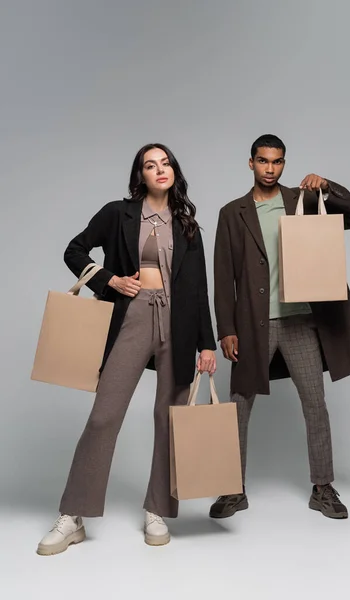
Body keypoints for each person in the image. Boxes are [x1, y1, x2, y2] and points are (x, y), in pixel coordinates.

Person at [37, 143, 216, 555]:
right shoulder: (119, 213)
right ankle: (73, 515)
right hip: (133, 319)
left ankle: (157, 508)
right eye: (150, 165)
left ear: (174, 170)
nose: (160, 169)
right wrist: (110, 280)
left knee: (169, 417)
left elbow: (198, 289)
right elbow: (74, 249)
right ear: (141, 175)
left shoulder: (188, 224)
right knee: (104, 416)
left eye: (165, 162)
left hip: (179, 325)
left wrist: (207, 343)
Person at [210, 134, 350, 521]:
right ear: (250, 163)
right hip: (253, 324)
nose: (270, 168)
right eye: (263, 161)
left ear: (284, 164)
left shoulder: (305, 201)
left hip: (300, 320)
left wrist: (328, 187)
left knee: (315, 404)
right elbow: (223, 275)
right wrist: (226, 329)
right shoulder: (232, 213)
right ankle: (233, 489)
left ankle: (322, 487)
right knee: (238, 407)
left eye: (278, 162)